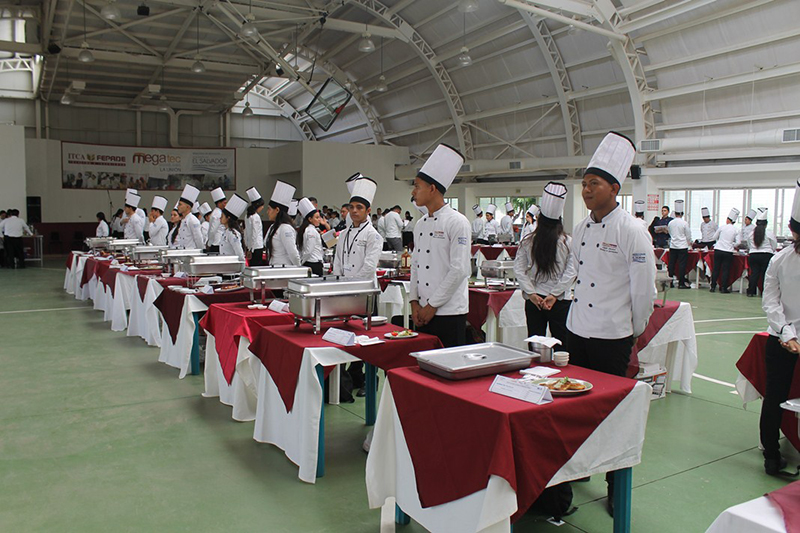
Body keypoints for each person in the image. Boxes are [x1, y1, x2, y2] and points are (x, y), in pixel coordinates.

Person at [549, 132, 656, 516]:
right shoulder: (582, 228)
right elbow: (574, 271)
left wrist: (634, 328)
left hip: (613, 335)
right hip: (578, 331)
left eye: (593, 184)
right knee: (574, 405)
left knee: (611, 415)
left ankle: (615, 485)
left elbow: (644, 291)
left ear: (615, 187)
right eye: (584, 184)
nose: (586, 190)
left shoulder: (632, 231)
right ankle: (577, 468)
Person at [410, 144, 472, 348]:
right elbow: (416, 266)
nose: (413, 192)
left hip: (449, 312)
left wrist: (432, 306)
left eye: (417, 186)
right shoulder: (419, 224)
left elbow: (459, 270)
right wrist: (414, 303)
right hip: (422, 312)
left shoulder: (457, 222)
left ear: (432, 188)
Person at [759, 180, 800, 476]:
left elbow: (770, 303)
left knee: (774, 397)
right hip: (787, 337)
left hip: (782, 338)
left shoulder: (780, 259)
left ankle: (771, 456)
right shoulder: (779, 259)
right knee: (774, 397)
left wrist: (787, 333)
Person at [513, 182, 572, 346]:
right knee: (562, 346)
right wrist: (554, 295)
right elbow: (572, 272)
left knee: (535, 346)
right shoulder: (568, 242)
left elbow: (518, 269)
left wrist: (531, 294)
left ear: (539, 220)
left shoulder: (528, 241)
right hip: (560, 302)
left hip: (535, 302)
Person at [333, 178, 383, 280]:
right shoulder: (343, 234)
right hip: (342, 285)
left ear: (368, 211)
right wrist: (338, 280)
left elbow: (369, 266)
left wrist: (354, 283)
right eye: (351, 207)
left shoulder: (373, 235)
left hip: (363, 286)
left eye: (359, 207)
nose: (354, 211)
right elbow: (337, 261)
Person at [264, 181, 301, 266]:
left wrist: (300, 269)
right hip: (275, 267)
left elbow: (293, 253)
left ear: (277, 210)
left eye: (269, 209)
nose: (267, 212)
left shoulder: (285, 228)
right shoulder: (274, 227)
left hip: (284, 268)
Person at [746, 208, 776, 297]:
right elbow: (774, 245)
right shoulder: (769, 233)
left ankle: (751, 291)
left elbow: (749, 244)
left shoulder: (751, 233)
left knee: (754, 273)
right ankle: (764, 292)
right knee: (764, 274)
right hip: (766, 255)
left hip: (753, 255)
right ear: (766, 224)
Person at [710, 208, 741, 293]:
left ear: (728, 219)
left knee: (716, 269)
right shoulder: (736, 229)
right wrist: (731, 244)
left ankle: (712, 286)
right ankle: (723, 288)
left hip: (718, 250)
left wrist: (720, 242)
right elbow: (738, 242)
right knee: (725, 270)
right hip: (728, 251)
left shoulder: (722, 227)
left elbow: (714, 238)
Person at [667, 199, 692, 289]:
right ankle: (681, 283)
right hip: (682, 246)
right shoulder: (684, 223)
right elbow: (688, 235)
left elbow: (669, 232)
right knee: (682, 265)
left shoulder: (671, 223)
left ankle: (670, 282)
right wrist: (689, 242)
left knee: (671, 264)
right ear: (682, 214)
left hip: (673, 246)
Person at [297, 197, 324, 276]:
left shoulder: (309, 229)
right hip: (313, 263)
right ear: (310, 219)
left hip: (312, 262)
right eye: (316, 217)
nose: (319, 219)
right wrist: (302, 262)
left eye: (319, 217)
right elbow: (309, 250)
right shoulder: (311, 231)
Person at [175, 184, 204, 249]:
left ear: (188, 207)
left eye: (180, 205)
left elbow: (198, 239)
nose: (178, 207)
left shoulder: (192, 220)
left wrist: (200, 252)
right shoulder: (183, 220)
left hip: (191, 252)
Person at [219, 194, 247, 261]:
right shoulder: (226, 231)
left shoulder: (233, 234)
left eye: (222, 216)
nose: (220, 218)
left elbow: (239, 253)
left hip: (232, 267)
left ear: (228, 218)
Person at [245, 187, 265, 266]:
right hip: (256, 247)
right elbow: (255, 234)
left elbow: (246, 232)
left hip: (250, 246)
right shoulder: (256, 217)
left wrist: (248, 247)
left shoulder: (247, 216)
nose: (262, 208)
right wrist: (251, 249)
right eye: (262, 206)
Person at [207, 187, 227, 253]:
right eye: (224, 203)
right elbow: (213, 230)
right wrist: (210, 242)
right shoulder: (217, 214)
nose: (225, 205)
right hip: (216, 243)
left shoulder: (219, 212)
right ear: (219, 203)